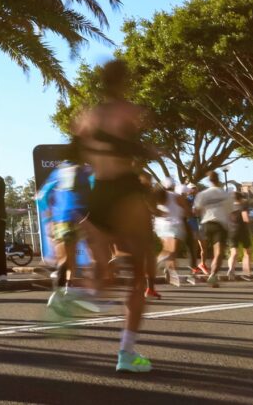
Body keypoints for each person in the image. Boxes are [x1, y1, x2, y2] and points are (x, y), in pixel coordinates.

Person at [73, 59, 157, 373]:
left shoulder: (86, 116)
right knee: (139, 275)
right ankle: (126, 352)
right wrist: (148, 150)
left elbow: (78, 151)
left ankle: (86, 294)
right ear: (125, 82)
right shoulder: (129, 111)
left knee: (104, 263)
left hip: (99, 189)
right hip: (124, 188)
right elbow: (126, 147)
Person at [38, 158, 93, 316]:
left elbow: (41, 195)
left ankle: (69, 289)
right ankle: (61, 293)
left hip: (61, 219)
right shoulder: (79, 170)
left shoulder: (59, 170)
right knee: (70, 258)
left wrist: (49, 216)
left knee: (68, 258)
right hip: (75, 217)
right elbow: (87, 196)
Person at [194, 172, 234, 287]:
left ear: (209, 180)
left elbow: (196, 211)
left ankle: (203, 266)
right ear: (219, 180)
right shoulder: (225, 195)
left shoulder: (202, 194)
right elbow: (230, 213)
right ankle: (213, 275)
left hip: (206, 224)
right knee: (218, 253)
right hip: (219, 225)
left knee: (204, 250)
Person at [154, 178, 194, 287]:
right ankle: (156, 262)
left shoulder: (158, 197)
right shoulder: (177, 196)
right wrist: (190, 213)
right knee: (172, 252)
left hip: (160, 226)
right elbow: (188, 212)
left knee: (167, 250)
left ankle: (172, 274)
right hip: (174, 226)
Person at [226, 191, 253, 281]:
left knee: (234, 253)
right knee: (247, 252)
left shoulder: (229, 207)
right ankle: (247, 273)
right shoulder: (243, 206)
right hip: (242, 231)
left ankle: (231, 269)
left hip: (231, 232)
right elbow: (246, 218)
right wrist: (249, 220)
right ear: (240, 198)